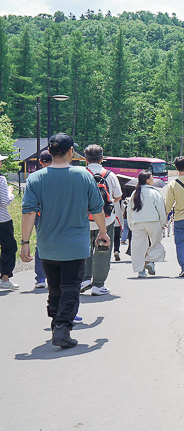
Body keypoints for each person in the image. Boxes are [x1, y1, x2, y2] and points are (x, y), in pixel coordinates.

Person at [20, 133, 110, 348]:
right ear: (71, 151)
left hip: (47, 245)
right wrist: (103, 232)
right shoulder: (83, 175)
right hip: (75, 245)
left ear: (49, 152)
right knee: (70, 287)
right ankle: (62, 327)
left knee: (54, 288)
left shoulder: (36, 178)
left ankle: (56, 326)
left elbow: (29, 212)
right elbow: (97, 208)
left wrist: (24, 243)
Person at [81, 144, 123, 295]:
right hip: (106, 220)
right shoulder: (110, 175)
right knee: (103, 251)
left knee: (84, 250)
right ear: (102, 158)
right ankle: (98, 285)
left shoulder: (80, 174)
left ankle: (85, 279)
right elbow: (118, 196)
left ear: (85, 159)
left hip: (83, 220)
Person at [129, 171, 167, 277]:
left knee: (138, 247)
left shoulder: (134, 193)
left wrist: (130, 223)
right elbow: (160, 209)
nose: (153, 179)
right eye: (152, 177)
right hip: (153, 221)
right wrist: (163, 222)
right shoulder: (154, 192)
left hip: (137, 222)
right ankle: (150, 261)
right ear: (147, 180)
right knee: (155, 243)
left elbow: (129, 210)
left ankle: (140, 270)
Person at [31, 150, 54, 290]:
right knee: (57, 242)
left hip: (39, 214)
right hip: (56, 214)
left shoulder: (34, 177)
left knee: (41, 244)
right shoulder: (58, 176)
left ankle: (40, 278)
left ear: (40, 162)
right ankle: (54, 277)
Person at [0, 154, 16, 291]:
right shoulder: (1, 179)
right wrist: (11, 193)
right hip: (2, 220)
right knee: (9, 248)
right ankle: (4, 278)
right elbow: (4, 201)